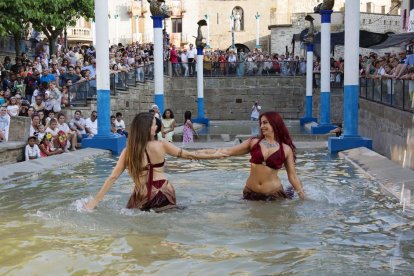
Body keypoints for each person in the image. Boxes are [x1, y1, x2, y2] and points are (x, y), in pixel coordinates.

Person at [85, 112, 227, 211]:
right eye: (154, 125)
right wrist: (217, 154)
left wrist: (95, 201)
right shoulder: (161, 144)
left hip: (141, 192)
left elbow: (113, 177)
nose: (157, 127)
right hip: (164, 189)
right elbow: (190, 155)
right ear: (147, 129)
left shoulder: (128, 151)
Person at [217, 112, 305, 200]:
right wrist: (204, 155)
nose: (262, 126)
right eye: (261, 123)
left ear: (275, 123)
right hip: (250, 193)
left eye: (265, 122)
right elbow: (227, 151)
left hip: (274, 194)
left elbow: (292, 176)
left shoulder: (286, 149)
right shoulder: (254, 142)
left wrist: (303, 197)